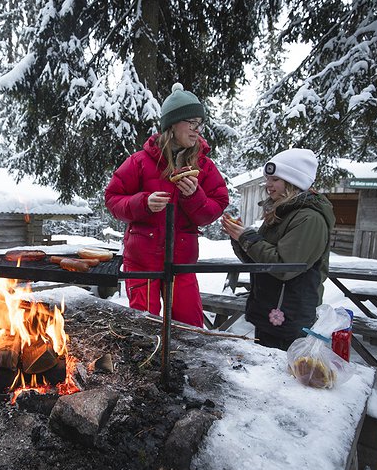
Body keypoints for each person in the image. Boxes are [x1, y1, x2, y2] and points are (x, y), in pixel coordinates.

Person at [105, 83, 229, 327]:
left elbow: (216, 206)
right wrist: (143, 203)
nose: (197, 130)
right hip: (142, 263)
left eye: (199, 123)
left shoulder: (204, 165)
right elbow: (112, 198)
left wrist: (195, 197)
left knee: (189, 329)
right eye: (191, 122)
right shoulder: (140, 162)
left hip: (182, 262)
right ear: (172, 124)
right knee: (144, 329)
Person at [221, 148, 335, 350]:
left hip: (290, 318)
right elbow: (260, 263)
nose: (268, 185)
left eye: (274, 179)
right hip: (270, 312)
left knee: (283, 378)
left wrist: (246, 237)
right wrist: (239, 239)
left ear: (292, 181)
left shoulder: (309, 218)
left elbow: (284, 267)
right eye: (268, 179)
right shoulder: (282, 213)